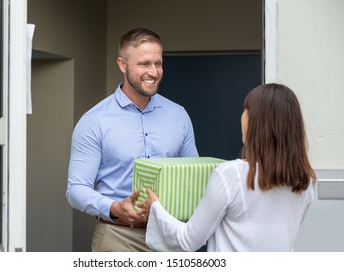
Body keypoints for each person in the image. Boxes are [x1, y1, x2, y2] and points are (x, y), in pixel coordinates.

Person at [139, 83, 316, 252]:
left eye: (246, 110)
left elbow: (188, 240)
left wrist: (156, 208)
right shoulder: (307, 181)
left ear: (256, 122)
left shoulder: (230, 175)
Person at [66, 28, 199, 252]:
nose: (154, 72)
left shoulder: (179, 115)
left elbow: (194, 176)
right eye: (144, 64)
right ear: (122, 64)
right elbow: (76, 189)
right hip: (118, 236)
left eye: (158, 63)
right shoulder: (94, 121)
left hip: (171, 235)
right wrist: (114, 207)